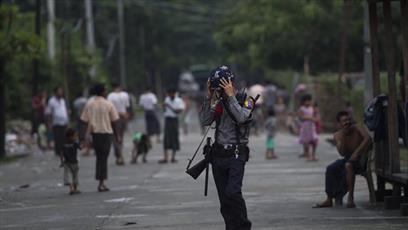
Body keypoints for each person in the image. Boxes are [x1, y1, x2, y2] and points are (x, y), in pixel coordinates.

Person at [200, 65, 253, 230]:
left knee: (233, 193)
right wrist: (209, 97)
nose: (219, 91)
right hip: (218, 155)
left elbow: (242, 118)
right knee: (224, 198)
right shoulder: (216, 100)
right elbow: (205, 121)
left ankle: (243, 226)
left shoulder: (246, 99)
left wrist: (231, 97)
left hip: (237, 153)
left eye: (221, 87)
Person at [314, 111, 372, 208]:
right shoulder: (337, 135)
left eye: (349, 120)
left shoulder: (357, 128)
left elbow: (368, 139)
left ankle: (350, 197)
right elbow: (342, 153)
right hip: (347, 158)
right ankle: (329, 199)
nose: (347, 122)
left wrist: (357, 152)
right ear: (339, 124)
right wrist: (344, 135)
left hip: (361, 159)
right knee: (331, 168)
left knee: (348, 165)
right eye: (344, 121)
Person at [80, 83, 120, 192]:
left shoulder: (90, 104)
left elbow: (83, 121)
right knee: (104, 158)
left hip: (96, 134)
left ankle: (101, 181)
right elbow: (114, 122)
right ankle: (102, 182)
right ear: (102, 92)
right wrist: (117, 136)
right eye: (105, 90)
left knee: (99, 157)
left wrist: (83, 137)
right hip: (107, 134)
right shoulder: (108, 104)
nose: (106, 92)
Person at [159, 89, 185, 163]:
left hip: (174, 120)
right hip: (168, 119)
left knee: (174, 137)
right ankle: (165, 157)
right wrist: (164, 107)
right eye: (169, 94)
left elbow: (178, 111)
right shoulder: (167, 99)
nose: (170, 95)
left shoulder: (178, 100)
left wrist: (169, 106)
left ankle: (173, 157)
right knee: (166, 138)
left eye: (171, 94)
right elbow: (164, 110)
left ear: (174, 93)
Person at [107, 82, 130, 165]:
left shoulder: (110, 96)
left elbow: (109, 108)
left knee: (115, 137)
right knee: (121, 137)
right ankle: (120, 156)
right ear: (120, 86)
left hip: (113, 118)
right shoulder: (125, 94)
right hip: (123, 117)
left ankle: (119, 156)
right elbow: (127, 107)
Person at [46, 87, 69, 157]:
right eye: (59, 91)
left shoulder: (63, 101)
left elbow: (65, 110)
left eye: (61, 91)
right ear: (55, 92)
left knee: (64, 137)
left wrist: (67, 120)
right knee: (57, 137)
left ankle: (63, 151)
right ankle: (58, 151)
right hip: (56, 122)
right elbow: (49, 113)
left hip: (64, 121)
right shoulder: (51, 101)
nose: (61, 93)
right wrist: (49, 123)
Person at [298, 94, 318, 161]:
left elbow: (316, 116)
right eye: (306, 101)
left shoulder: (312, 108)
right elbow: (300, 117)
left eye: (309, 101)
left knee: (314, 140)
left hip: (311, 127)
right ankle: (308, 155)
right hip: (305, 127)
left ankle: (313, 155)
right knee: (306, 142)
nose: (308, 102)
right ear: (303, 101)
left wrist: (315, 118)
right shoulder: (302, 108)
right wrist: (309, 117)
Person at [61, 128, 82, 195]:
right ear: (70, 136)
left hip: (69, 162)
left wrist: (61, 161)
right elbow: (81, 148)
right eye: (75, 136)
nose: (76, 137)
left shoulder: (64, 144)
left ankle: (74, 189)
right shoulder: (75, 143)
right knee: (73, 175)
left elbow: (61, 153)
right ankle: (72, 189)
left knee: (73, 175)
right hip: (72, 162)